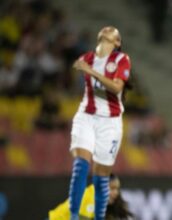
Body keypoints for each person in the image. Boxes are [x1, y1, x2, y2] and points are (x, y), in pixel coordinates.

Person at [67, 26, 131, 220]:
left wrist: (90, 72)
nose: (108, 30)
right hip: (86, 115)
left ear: (117, 42)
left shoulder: (122, 60)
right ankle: (73, 215)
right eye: (106, 29)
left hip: (110, 122)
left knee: (101, 178)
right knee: (80, 166)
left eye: (113, 31)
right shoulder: (87, 57)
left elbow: (116, 88)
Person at [49, 174, 135, 220]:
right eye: (112, 188)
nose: (116, 192)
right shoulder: (91, 198)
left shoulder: (106, 203)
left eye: (117, 189)